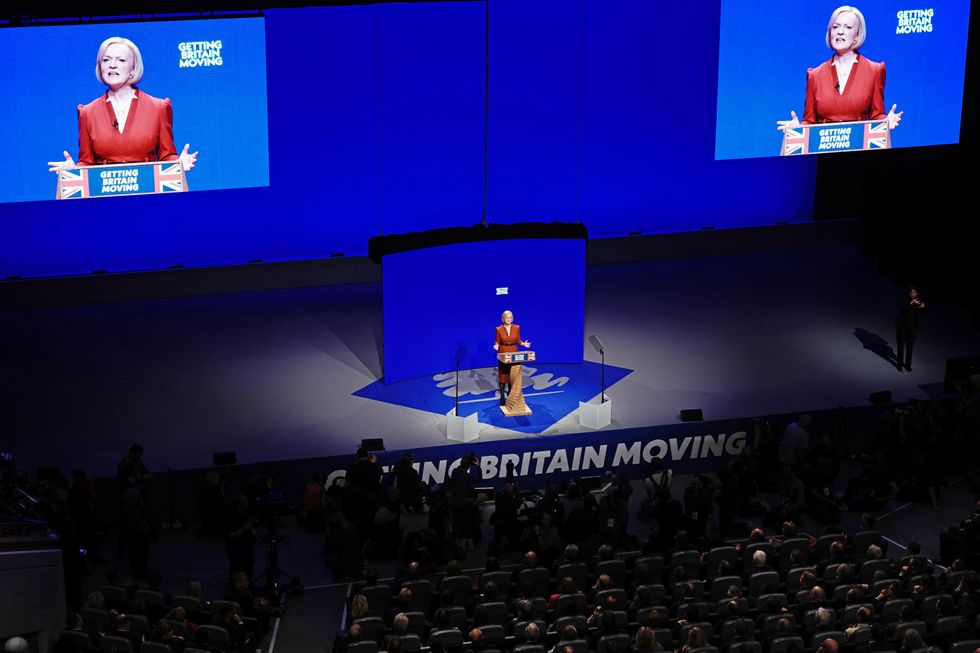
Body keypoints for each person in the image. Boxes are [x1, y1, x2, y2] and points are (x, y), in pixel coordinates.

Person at [48, 36, 198, 172]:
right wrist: (73, 171)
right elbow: (86, 163)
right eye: (106, 60)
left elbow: (167, 157)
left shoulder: (158, 107)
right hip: (105, 198)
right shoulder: (87, 112)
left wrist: (179, 163)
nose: (112, 65)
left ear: (133, 68)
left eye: (121, 60)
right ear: (100, 67)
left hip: (148, 196)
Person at [777, 6, 902, 131]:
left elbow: (877, 115)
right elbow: (809, 121)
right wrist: (798, 129)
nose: (840, 32)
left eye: (848, 27)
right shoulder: (815, 75)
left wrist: (885, 121)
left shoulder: (874, 70)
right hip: (825, 148)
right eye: (835, 27)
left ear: (857, 35)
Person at [493, 310, 531, 406]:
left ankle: (510, 393)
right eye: (506, 317)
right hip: (503, 351)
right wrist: (497, 346)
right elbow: (497, 341)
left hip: (514, 351)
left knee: (512, 373)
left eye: (510, 317)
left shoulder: (516, 327)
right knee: (503, 374)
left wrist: (523, 344)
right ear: (503, 318)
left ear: (512, 318)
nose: (508, 319)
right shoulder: (498, 329)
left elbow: (518, 339)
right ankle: (502, 395)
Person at [895, 286, 925, 372]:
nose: (914, 294)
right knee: (900, 347)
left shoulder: (918, 300)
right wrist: (910, 303)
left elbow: (921, 312)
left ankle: (908, 365)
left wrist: (922, 307)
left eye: (915, 293)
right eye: (912, 292)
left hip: (912, 328)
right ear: (909, 292)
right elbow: (903, 309)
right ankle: (899, 365)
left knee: (910, 347)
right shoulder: (904, 298)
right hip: (902, 327)